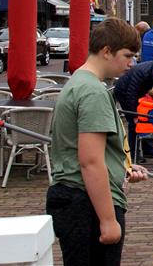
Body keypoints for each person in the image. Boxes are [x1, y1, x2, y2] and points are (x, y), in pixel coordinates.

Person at [45, 18, 147, 266]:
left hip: (76, 199)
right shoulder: (93, 92)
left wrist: (120, 167)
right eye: (127, 56)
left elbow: (85, 149)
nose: (131, 63)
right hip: (87, 204)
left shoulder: (78, 82)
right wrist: (108, 220)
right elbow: (90, 162)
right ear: (106, 51)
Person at [113, 58, 153, 161]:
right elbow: (131, 93)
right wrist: (134, 115)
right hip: (125, 91)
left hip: (145, 94)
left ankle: (148, 151)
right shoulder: (142, 72)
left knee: (151, 120)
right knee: (135, 124)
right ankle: (133, 155)